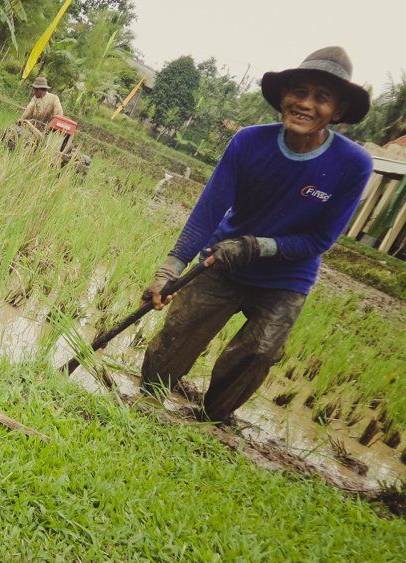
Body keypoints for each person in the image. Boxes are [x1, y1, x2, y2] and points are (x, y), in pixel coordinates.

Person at [139, 46, 373, 423]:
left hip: (286, 276)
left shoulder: (353, 164)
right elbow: (209, 209)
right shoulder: (249, 141)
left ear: (339, 112)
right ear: (283, 97)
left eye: (321, 97)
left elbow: (321, 240)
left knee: (259, 351)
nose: (305, 104)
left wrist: (254, 246)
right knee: (178, 333)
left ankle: (212, 421)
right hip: (224, 261)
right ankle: (146, 402)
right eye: (298, 92)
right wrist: (169, 270)